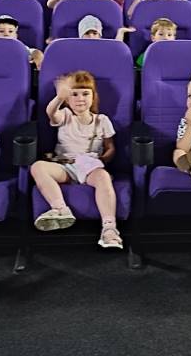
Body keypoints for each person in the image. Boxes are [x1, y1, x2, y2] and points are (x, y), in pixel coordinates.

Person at [29, 71, 123, 249]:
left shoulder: (102, 120)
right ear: (67, 99)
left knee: (103, 177)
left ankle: (109, 228)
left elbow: (110, 146)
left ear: (93, 97)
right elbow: (51, 112)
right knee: (38, 167)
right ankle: (60, 209)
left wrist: (103, 160)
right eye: (74, 94)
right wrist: (59, 97)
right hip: (65, 165)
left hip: (90, 165)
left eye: (85, 94)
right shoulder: (65, 115)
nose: (80, 99)